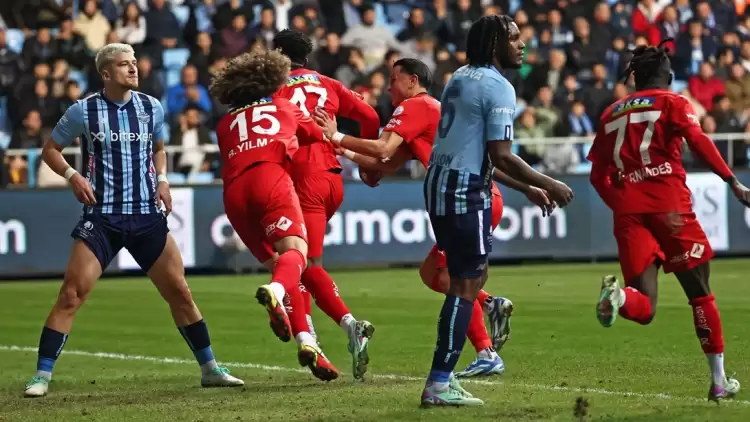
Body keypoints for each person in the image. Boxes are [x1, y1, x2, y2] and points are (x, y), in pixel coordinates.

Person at [24, 43, 244, 398]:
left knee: (180, 293)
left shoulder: (151, 107)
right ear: (106, 73)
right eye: (123, 64)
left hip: (146, 216)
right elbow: (51, 149)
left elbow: (159, 149)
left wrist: (163, 181)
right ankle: (41, 376)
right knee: (71, 294)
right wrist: (72, 177)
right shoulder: (84, 111)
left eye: (134, 63)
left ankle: (210, 369)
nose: (133, 69)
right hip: (103, 217)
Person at [314, 57, 556, 378]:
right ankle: (488, 308)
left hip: (466, 199)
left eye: (393, 80)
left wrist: (337, 137)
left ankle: (483, 348)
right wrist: (344, 152)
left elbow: (383, 149)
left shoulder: (414, 107)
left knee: (451, 279)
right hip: (476, 195)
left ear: (412, 81)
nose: (388, 87)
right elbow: (387, 162)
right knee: (433, 273)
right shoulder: (430, 111)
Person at [420, 15, 575, 406]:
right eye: (514, 38)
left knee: (466, 278)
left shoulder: (459, 76)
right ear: (494, 46)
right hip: (464, 188)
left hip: (440, 180)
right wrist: (548, 182)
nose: (522, 45)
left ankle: (445, 376)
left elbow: (480, 151)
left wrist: (525, 189)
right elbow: (500, 155)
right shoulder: (499, 87)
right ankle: (439, 383)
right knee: (465, 283)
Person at [588, 40, 750, 402]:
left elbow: (597, 175)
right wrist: (733, 182)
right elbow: (699, 140)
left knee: (643, 306)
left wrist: (623, 202)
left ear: (635, 79)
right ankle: (719, 381)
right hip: (670, 207)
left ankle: (617, 296)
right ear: (670, 77)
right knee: (700, 293)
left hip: (629, 213)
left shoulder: (610, 112)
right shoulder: (674, 102)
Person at [210, 50, 338, 382]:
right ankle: (276, 293)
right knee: (296, 254)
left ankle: (307, 342)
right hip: (270, 178)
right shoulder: (283, 106)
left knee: (283, 266)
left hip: (234, 194)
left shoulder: (224, 124)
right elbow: (314, 134)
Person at [271, 29, 381, 380]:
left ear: (278, 54)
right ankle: (317, 334)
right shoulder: (329, 84)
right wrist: (363, 158)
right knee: (300, 262)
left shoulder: (275, 89)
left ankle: (344, 328)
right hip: (333, 177)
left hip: (302, 180)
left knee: (301, 262)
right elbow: (371, 118)